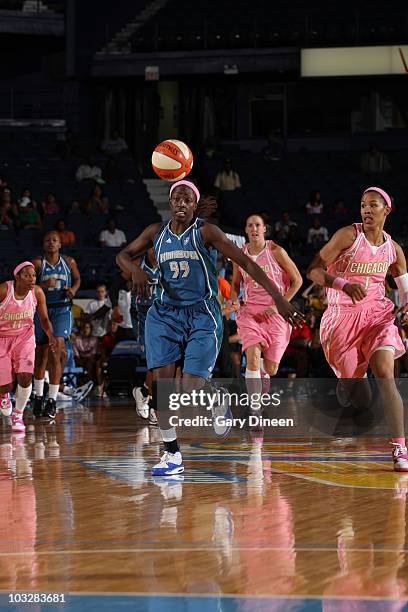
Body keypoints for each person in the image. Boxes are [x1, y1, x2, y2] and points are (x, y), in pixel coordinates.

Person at [117, 179, 301, 476]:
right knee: (163, 388)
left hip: (201, 315)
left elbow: (247, 262)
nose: (180, 203)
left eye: (187, 199)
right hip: (164, 314)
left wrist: (278, 298)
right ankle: (172, 453)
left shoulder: (206, 232)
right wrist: (134, 269)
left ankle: (217, 398)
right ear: (170, 202)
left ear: (194, 205)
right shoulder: (156, 232)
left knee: (190, 385)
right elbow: (122, 254)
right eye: (176, 198)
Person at [307, 186, 408, 472]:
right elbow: (313, 270)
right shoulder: (348, 236)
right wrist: (343, 284)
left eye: (373, 205)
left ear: (386, 210)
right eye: (363, 205)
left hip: (377, 316)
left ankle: (400, 447)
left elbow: (405, 292)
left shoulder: (394, 250)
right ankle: (347, 383)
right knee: (361, 398)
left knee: (386, 373)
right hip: (341, 319)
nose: (366, 210)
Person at [230, 214, 302, 389]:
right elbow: (235, 283)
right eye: (250, 225)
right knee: (252, 359)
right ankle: (255, 411)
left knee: (272, 368)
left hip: (275, 313)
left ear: (264, 229)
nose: (254, 229)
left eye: (257, 225)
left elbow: (298, 281)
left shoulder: (276, 251)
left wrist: (278, 305)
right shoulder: (239, 255)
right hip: (250, 312)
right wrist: (234, 300)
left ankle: (261, 372)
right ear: (246, 230)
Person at [0, 262, 56, 432]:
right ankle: (4, 395)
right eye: (27, 275)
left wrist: (51, 335)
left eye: (34, 275)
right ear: (17, 277)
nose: (32, 278)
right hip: (2, 338)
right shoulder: (4, 290)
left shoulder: (37, 292)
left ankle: (18, 414)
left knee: (25, 376)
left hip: (24, 338)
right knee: (6, 386)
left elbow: (44, 319)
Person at [32, 232, 81, 420]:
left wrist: (73, 290)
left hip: (61, 310)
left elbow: (77, 280)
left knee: (56, 349)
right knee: (41, 355)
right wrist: (43, 286)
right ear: (43, 244)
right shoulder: (37, 264)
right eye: (47, 240)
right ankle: (38, 397)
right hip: (42, 310)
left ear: (60, 244)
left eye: (54, 240)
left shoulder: (69, 261)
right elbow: (28, 285)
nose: (51, 243)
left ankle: (52, 400)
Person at [130, 248, 159, 423]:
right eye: (152, 247)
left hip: (166, 315)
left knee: (164, 364)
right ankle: (155, 404)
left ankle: (144, 392)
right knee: (156, 363)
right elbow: (117, 282)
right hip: (144, 317)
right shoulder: (136, 265)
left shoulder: (169, 262)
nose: (155, 251)